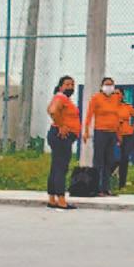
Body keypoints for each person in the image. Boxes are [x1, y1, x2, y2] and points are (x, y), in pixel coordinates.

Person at [46, 75, 81, 210]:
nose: (70, 87)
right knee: (61, 168)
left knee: (56, 167)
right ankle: (61, 200)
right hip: (61, 136)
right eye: (67, 84)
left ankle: (52, 198)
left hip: (61, 136)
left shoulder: (64, 99)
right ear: (60, 86)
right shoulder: (60, 97)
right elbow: (52, 111)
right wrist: (61, 125)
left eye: (72, 85)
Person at [89, 77, 124, 196]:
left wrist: (119, 134)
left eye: (111, 85)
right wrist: (86, 131)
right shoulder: (96, 98)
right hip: (100, 131)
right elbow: (89, 114)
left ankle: (106, 187)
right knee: (98, 160)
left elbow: (117, 116)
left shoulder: (115, 98)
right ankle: (96, 187)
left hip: (112, 132)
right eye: (106, 84)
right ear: (102, 86)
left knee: (109, 160)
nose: (109, 87)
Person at [112, 89, 134, 192]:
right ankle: (106, 179)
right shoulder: (111, 107)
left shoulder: (127, 107)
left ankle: (122, 184)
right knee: (115, 159)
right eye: (114, 93)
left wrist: (133, 127)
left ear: (122, 95)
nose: (116, 95)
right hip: (115, 134)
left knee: (124, 159)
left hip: (127, 135)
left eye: (118, 93)